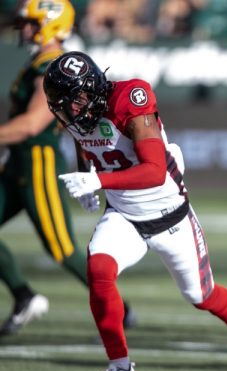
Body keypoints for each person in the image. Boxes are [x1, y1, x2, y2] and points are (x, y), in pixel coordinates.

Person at [43, 51, 227, 371]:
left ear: (93, 91)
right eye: (62, 104)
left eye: (74, 101)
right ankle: (120, 367)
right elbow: (81, 138)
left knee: (201, 296)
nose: (70, 111)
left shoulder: (129, 99)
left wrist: (99, 180)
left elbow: (154, 171)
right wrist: (87, 172)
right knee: (99, 269)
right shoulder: (77, 112)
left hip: (169, 215)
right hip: (124, 216)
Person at [0, 0, 136, 337]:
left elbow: (32, 124)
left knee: (61, 248)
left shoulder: (53, 67)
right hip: (18, 161)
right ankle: (23, 296)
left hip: (39, 163)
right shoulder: (38, 62)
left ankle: (121, 308)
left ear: (50, 23)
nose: (25, 28)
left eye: (32, 22)